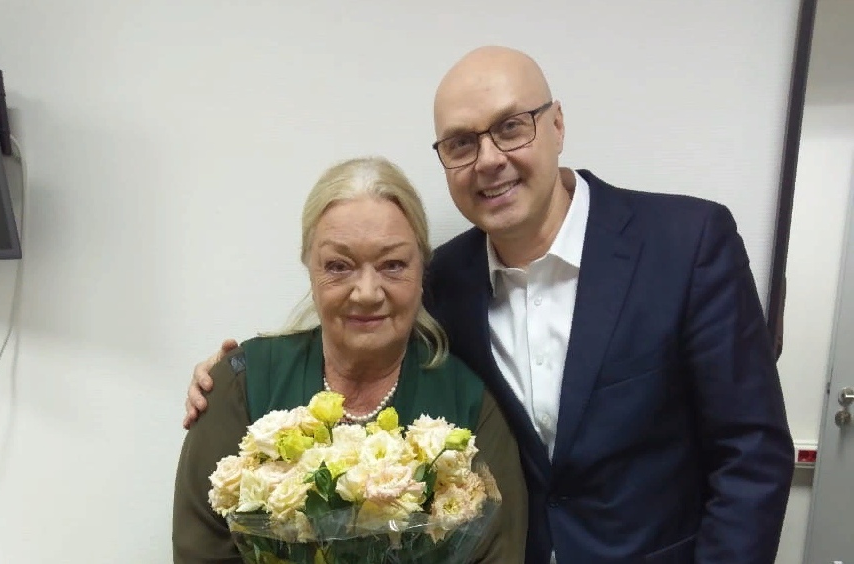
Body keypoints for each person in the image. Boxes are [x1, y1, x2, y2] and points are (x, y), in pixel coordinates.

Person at [183, 47, 794, 563]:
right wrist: (226, 375)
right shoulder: (443, 282)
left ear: (557, 124)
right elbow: (361, 333)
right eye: (461, 143)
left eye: (511, 127)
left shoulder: (686, 243)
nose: (490, 160)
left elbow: (752, 454)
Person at [172, 156, 528, 563]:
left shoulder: (467, 404)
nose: (367, 292)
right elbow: (201, 551)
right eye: (339, 266)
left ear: (422, 269)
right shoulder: (242, 386)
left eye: (393, 265)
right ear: (310, 268)